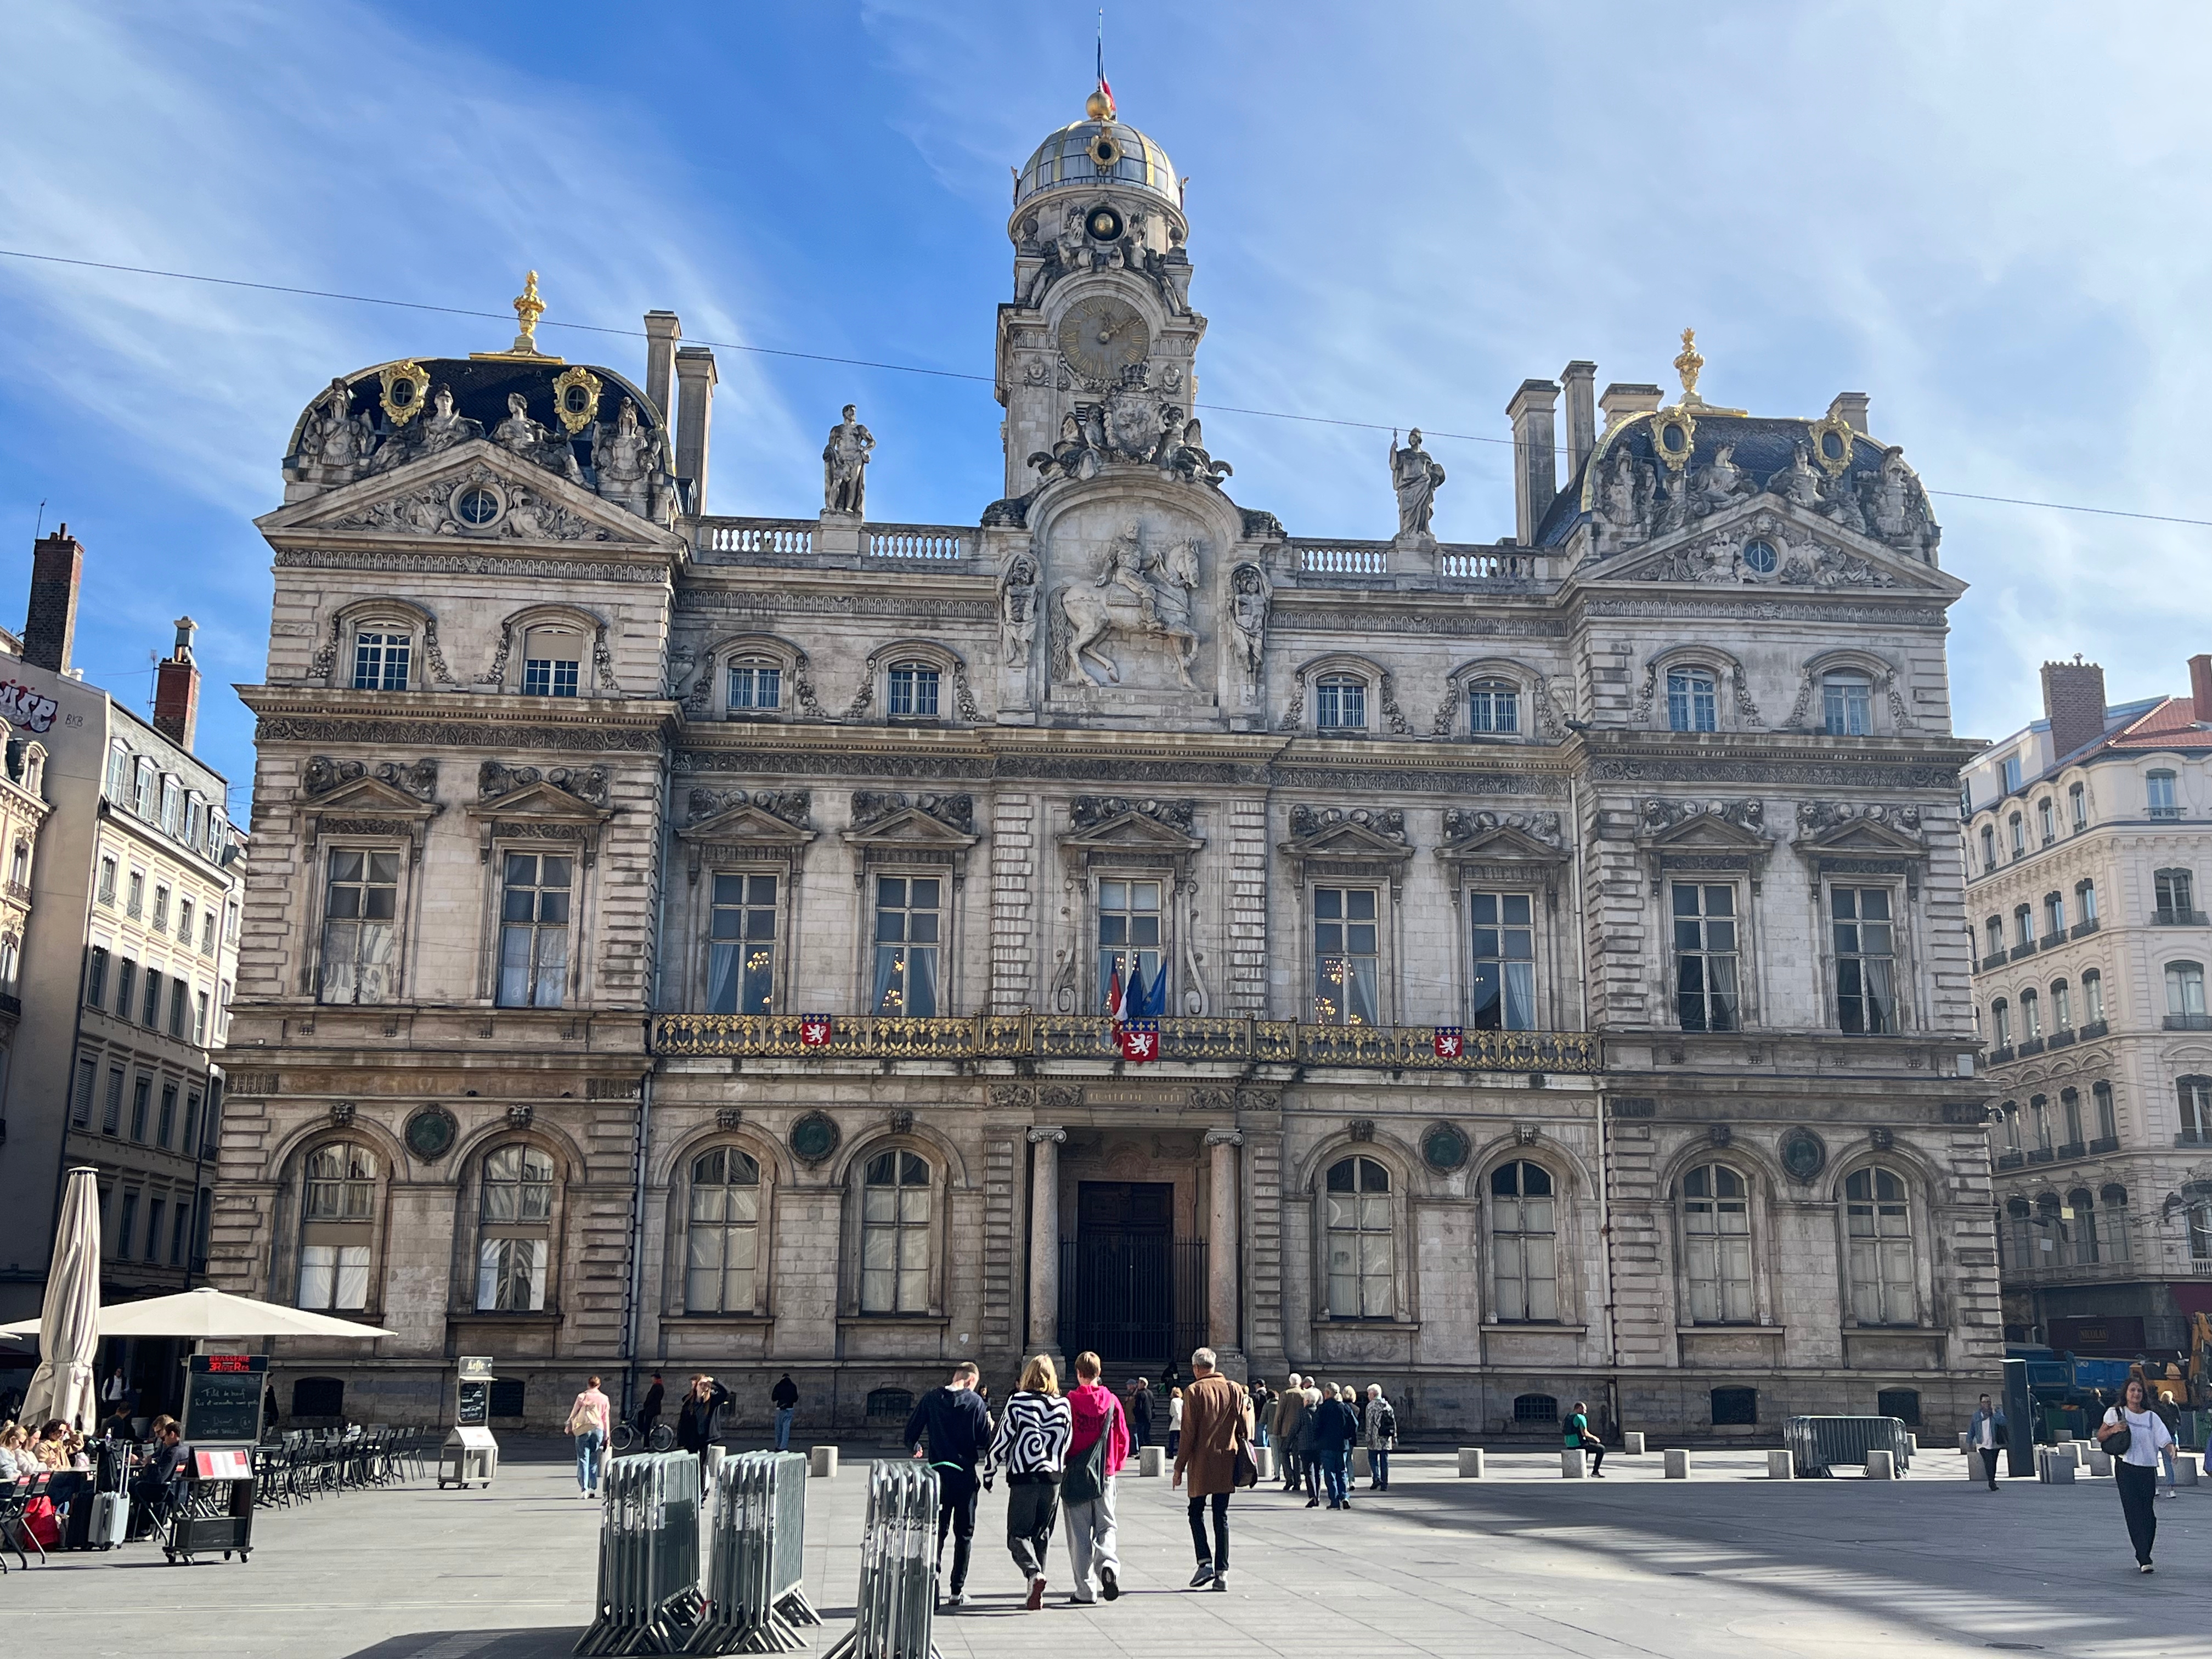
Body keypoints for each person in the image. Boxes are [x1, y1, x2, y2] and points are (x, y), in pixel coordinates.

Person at [985, 1353, 1071, 1611]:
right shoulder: (1063, 1405)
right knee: (1041, 1536)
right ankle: (1035, 1591)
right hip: (1053, 1478)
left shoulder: (1018, 1402)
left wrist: (989, 1473)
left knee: (1017, 1536)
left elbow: (1002, 1440)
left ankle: (1034, 1573)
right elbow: (1066, 1442)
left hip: (1025, 1477)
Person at [904, 1361, 993, 1610]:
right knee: (964, 1534)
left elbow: (910, 1433)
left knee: (937, 1533)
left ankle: (933, 1586)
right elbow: (986, 1441)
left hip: (937, 1476)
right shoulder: (976, 1403)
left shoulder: (932, 1398)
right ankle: (957, 1590)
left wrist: (916, 1446)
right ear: (971, 1381)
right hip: (964, 1476)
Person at [1172, 1347, 1252, 1591]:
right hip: (1227, 1460)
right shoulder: (1234, 1389)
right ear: (1214, 1366)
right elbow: (1246, 1429)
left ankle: (1204, 1562)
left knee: (1195, 1512)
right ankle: (1223, 1573)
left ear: (1196, 1368)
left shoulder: (1194, 1391)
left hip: (1201, 1462)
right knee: (1222, 1516)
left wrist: (1179, 1467)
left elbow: (1188, 1434)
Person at [1060, 1352, 1130, 1605]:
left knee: (1079, 1535)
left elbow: (1063, 1438)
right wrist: (1115, 1465)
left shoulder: (1069, 1402)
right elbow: (1123, 1437)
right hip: (1105, 1474)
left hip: (1077, 1475)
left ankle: (1085, 1590)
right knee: (1107, 1526)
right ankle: (1108, 1566)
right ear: (1099, 1373)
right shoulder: (1112, 1402)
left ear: (1078, 1373)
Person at [2098, 1374, 2175, 1572]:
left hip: (2147, 1469)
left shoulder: (2151, 1417)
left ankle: (2145, 1549)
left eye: (2139, 1390)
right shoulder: (2116, 1412)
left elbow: (2164, 1438)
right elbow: (2101, 1436)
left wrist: (2171, 1450)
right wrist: (2114, 1429)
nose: (2136, 1394)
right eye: (2133, 1390)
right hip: (2126, 1467)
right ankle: (2144, 1558)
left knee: (2148, 1514)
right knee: (2133, 1512)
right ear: (2126, 1393)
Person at [1312, 1383, 1361, 1509]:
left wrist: (1317, 1440)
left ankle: (1334, 1501)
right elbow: (1354, 1425)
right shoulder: (1344, 1408)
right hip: (1342, 1445)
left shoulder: (1322, 1409)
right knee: (1341, 1471)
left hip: (1327, 1445)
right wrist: (1347, 1436)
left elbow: (1316, 1427)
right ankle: (1344, 1496)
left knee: (1330, 1473)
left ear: (1328, 1393)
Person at [568, 1374, 612, 1497]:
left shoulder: (582, 1397)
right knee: (594, 1459)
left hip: (583, 1428)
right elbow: (606, 1419)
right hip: (598, 1429)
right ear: (599, 1385)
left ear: (588, 1384)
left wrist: (569, 1425)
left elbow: (574, 1414)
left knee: (583, 1458)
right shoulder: (604, 1399)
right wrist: (607, 1436)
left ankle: (584, 1489)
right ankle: (593, 1488)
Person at [676, 1374, 732, 1465]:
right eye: (701, 1384)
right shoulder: (689, 1402)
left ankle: (702, 1479)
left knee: (703, 1465)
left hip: (705, 1438)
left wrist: (714, 1381)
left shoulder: (712, 1400)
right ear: (695, 1386)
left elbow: (726, 1393)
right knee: (691, 1465)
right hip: (692, 1438)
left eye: (706, 1385)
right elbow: (683, 1423)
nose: (703, 1387)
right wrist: (681, 1442)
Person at [1273, 1372, 1306, 1492]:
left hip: (1286, 1431)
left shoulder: (1285, 1394)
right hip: (1300, 1431)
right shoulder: (1304, 1394)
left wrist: (1276, 1429)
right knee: (1297, 1456)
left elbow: (1279, 1413)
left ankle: (1289, 1478)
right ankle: (1297, 1481)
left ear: (1290, 1382)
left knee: (1284, 1454)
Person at [1363, 1384, 1397, 1491]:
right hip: (1386, 1438)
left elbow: (1369, 1423)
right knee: (1384, 1461)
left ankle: (1376, 1478)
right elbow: (1393, 1422)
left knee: (1372, 1458)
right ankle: (1385, 1484)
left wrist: (1368, 1437)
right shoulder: (1388, 1406)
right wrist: (1395, 1436)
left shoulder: (1371, 1406)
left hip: (1375, 1438)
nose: (1368, 1396)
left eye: (1369, 1394)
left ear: (1373, 1394)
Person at [1968, 1393, 2005, 1491]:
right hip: (1982, 1443)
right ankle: (1992, 1482)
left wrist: (1994, 1412)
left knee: (1993, 1463)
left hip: (1995, 1443)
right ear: (1981, 1403)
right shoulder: (1977, 1415)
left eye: (1989, 1402)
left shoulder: (1996, 1413)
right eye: (1984, 1402)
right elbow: (1972, 1429)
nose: (1987, 1404)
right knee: (1988, 1462)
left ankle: (1992, 1479)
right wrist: (1970, 1441)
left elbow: (2003, 1422)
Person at [1565, 1400, 1606, 1478]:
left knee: (1587, 1447)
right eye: (1585, 1410)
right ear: (1580, 1408)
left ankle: (1584, 1470)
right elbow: (1585, 1433)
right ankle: (1595, 1472)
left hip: (1569, 1444)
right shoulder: (1580, 1417)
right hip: (1578, 1444)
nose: (1585, 1412)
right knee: (1601, 1449)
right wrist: (1595, 1438)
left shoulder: (1568, 1416)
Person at [771, 1373, 799, 1453]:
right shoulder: (793, 1386)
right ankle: (783, 1446)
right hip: (790, 1408)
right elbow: (796, 1399)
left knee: (779, 1429)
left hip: (780, 1409)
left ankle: (778, 1445)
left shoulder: (778, 1386)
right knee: (786, 1429)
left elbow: (774, 1398)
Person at [1128, 1377, 1155, 1454]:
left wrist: (1134, 1412)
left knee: (1141, 1436)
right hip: (1148, 1417)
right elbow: (1153, 1405)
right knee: (1147, 1435)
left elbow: (1138, 1407)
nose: (1138, 1385)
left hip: (1141, 1418)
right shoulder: (1150, 1393)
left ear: (1143, 1384)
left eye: (1139, 1383)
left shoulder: (1140, 1394)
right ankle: (1151, 1451)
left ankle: (1142, 1453)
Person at [637, 1373, 665, 1442]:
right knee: (641, 1414)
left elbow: (650, 1398)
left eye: (653, 1379)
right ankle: (643, 1431)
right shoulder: (661, 1387)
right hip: (656, 1408)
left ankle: (646, 1444)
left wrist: (645, 1404)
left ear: (656, 1379)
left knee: (647, 1426)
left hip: (651, 1409)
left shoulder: (656, 1387)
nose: (652, 1381)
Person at [1250, 1378, 1274, 1451]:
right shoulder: (1268, 1395)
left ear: (1258, 1385)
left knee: (1260, 1439)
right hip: (1269, 1420)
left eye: (1256, 1384)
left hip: (1258, 1419)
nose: (1255, 1386)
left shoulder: (1256, 1396)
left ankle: (1263, 1456)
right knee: (1266, 1437)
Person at [1167, 1386, 1184, 1457]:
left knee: (1172, 1440)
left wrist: (1177, 1418)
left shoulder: (1173, 1401)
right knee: (1180, 1440)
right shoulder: (1182, 1401)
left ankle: (1171, 1454)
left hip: (1175, 1422)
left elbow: (1174, 1412)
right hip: (1182, 1421)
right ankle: (1181, 1453)